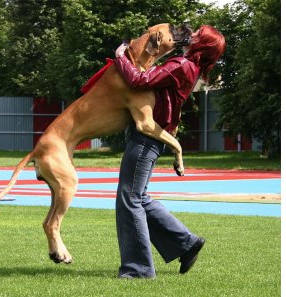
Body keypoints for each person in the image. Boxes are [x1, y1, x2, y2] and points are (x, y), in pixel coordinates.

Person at [112, 25, 226, 279]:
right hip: (150, 137)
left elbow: (138, 80)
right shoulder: (186, 66)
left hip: (147, 138)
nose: (192, 34)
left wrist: (121, 57)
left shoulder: (181, 65)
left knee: (129, 199)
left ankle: (138, 270)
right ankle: (186, 244)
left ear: (201, 45)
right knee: (137, 197)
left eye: (198, 34)